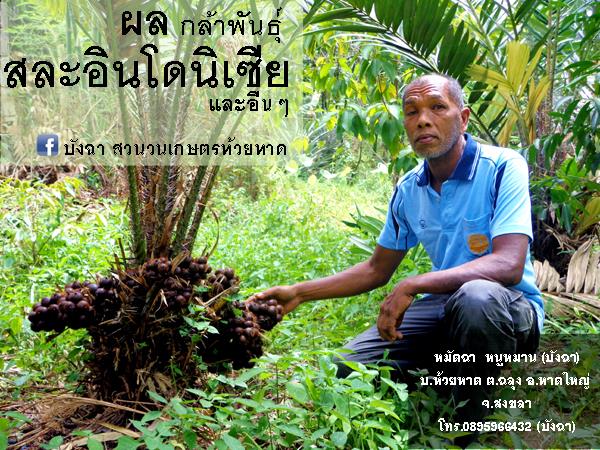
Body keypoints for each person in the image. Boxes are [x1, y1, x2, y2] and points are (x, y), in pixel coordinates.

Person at [250, 73, 543, 443]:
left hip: (510, 311)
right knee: (346, 366)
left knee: (477, 298)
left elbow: (508, 263)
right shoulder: (410, 188)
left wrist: (414, 283)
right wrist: (300, 293)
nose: (423, 119)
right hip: (446, 307)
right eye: (411, 111)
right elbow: (376, 268)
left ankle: (468, 425)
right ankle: (452, 367)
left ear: (463, 117)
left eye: (437, 107)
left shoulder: (502, 167)